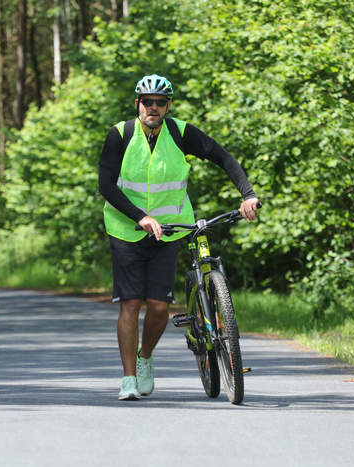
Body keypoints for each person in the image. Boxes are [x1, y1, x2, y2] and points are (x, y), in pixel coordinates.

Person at [98, 74, 259, 400]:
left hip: (169, 231)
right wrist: (140, 217)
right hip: (126, 229)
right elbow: (106, 185)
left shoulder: (180, 133)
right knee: (131, 303)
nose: (153, 107)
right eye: (147, 101)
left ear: (168, 106)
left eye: (160, 102)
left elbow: (223, 157)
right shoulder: (120, 134)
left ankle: (145, 357)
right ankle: (128, 378)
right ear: (137, 103)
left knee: (159, 307)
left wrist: (248, 194)